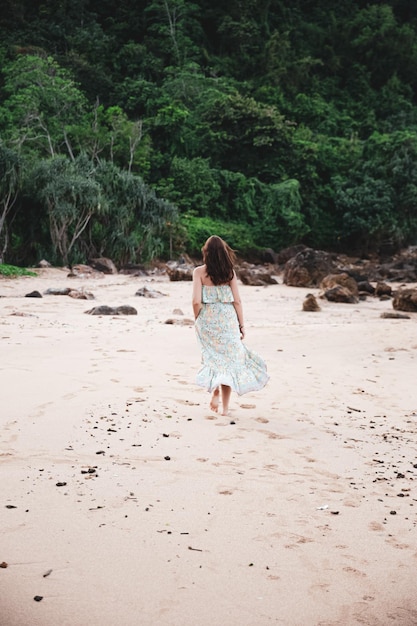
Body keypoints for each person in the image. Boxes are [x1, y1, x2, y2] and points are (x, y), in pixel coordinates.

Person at [192, 235, 269, 416]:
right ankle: (225, 409)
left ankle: (216, 391)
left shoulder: (198, 272)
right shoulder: (230, 273)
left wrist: (198, 319)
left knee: (213, 358)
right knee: (229, 362)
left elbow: (196, 301)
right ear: (224, 253)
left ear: (206, 252)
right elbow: (237, 301)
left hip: (207, 320)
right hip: (227, 321)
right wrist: (241, 325)